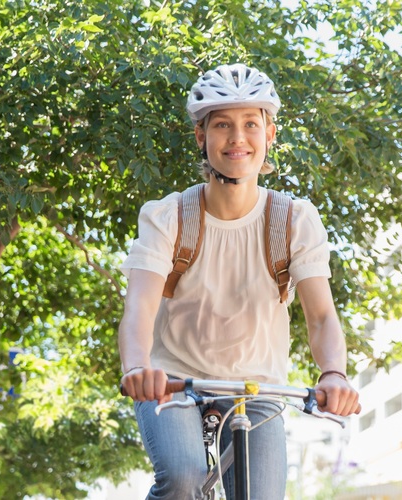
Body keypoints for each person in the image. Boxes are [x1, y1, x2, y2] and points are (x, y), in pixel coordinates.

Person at [117, 63, 359, 499]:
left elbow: (321, 316)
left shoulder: (293, 220)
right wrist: (138, 368)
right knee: (184, 476)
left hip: (258, 387)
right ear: (200, 136)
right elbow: (139, 307)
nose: (237, 138)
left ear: (269, 134)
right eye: (222, 125)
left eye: (251, 124)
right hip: (173, 383)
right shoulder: (168, 215)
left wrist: (334, 373)